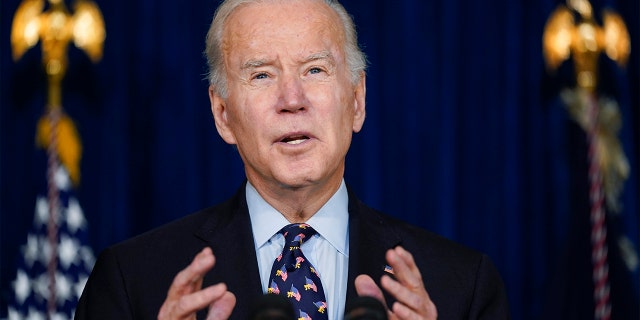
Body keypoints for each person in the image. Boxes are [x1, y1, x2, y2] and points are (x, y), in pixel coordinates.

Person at [75, 0, 510, 319]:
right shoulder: (133, 283)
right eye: (261, 74)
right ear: (222, 114)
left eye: (315, 70)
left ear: (357, 101)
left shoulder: (461, 287)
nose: (292, 100)